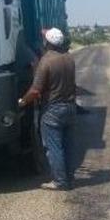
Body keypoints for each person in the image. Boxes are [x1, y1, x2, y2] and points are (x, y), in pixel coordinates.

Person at [18, 28, 77, 191]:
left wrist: (22, 101)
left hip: (53, 110)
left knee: (54, 147)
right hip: (70, 108)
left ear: (47, 43)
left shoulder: (46, 62)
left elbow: (36, 90)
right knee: (68, 145)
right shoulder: (69, 59)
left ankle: (60, 181)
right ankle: (69, 178)